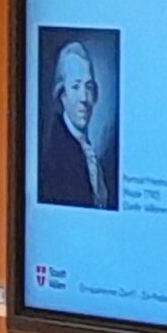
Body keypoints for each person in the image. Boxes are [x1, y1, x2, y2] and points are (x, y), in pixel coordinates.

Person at [39, 38, 116, 210]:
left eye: (89, 87)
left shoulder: (88, 150)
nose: (84, 98)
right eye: (75, 87)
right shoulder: (56, 155)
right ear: (61, 94)